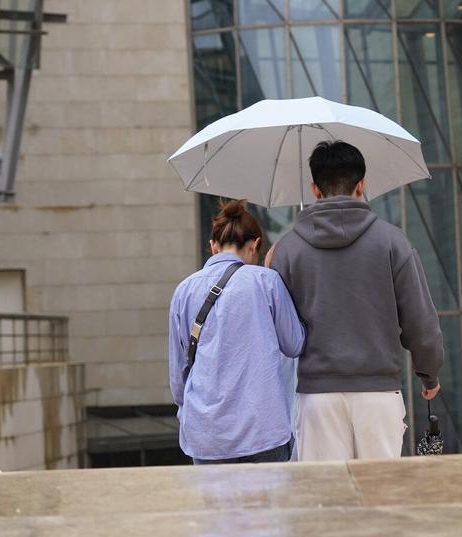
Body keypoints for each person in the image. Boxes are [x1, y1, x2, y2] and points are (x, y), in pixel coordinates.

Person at [269, 141, 444, 461]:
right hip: (378, 394)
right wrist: (428, 374)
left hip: (316, 398)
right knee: (381, 500)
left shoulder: (287, 250)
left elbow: (277, 332)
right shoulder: (392, 241)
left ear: (314, 188)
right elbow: (421, 322)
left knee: (326, 502)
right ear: (361, 184)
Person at [168, 199, 305, 464]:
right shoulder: (267, 282)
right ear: (254, 245)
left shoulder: (183, 291)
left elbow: (177, 378)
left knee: (216, 506)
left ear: (213, 246)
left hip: (207, 433)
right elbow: (295, 345)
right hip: (263, 430)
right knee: (270, 506)